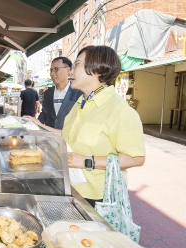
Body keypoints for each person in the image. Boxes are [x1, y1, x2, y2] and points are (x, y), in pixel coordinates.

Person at [26, 46, 145, 207]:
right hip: (72, 189)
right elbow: (67, 135)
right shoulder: (80, 102)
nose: (71, 71)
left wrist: (87, 161)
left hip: (99, 199)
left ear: (96, 69)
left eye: (77, 65)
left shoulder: (120, 110)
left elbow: (136, 158)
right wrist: (40, 125)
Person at [38, 57, 83, 130]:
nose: (52, 74)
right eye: (51, 70)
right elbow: (44, 114)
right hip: (51, 138)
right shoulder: (47, 93)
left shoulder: (78, 92)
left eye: (56, 69)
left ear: (68, 70)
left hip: (69, 139)